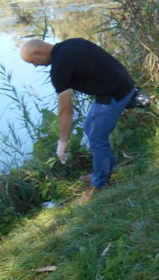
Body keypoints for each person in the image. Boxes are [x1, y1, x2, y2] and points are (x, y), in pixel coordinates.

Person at [20, 38, 136, 203]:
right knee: (89, 128)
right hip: (116, 85)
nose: (35, 66)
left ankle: (98, 184)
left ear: (38, 53)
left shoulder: (59, 68)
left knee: (97, 137)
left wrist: (63, 141)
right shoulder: (71, 44)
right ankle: (106, 169)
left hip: (116, 92)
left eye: (33, 61)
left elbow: (65, 109)